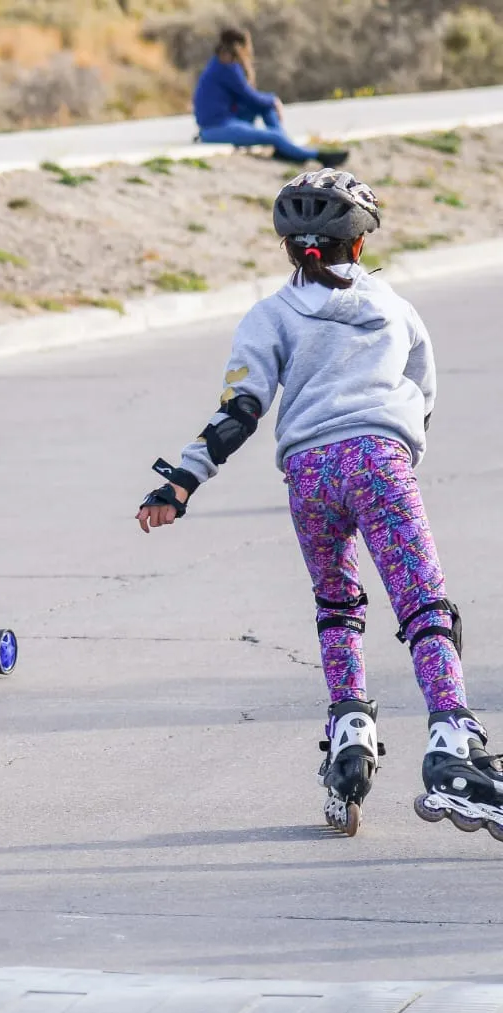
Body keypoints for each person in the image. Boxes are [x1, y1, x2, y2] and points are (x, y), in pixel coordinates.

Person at [136, 168, 501, 839]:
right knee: (423, 605)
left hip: (307, 474)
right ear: (358, 246)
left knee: (338, 605)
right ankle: (453, 745)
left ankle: (350, 735)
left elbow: (240, 410)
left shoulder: (269, 315)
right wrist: (394, 448)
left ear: (287, 247)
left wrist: (180, 482)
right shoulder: (393, 306)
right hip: (378, 464)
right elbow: (423, 394)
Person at [193, 28, 348, 167]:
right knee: (273, 134)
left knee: (266, 108)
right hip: (215, 128)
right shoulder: (226, 67)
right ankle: (317, 156)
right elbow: (250, 97)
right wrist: (274, 100)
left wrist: (270, 102)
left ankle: (284, 149)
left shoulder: (222, 63)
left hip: (226, 120)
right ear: (239, 47)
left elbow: (250, 100)